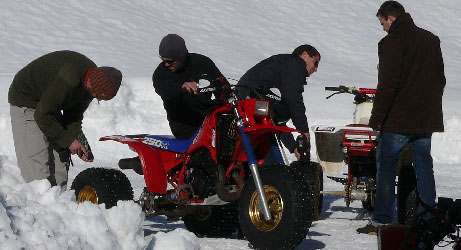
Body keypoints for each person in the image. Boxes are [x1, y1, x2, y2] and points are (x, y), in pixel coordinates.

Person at [357, 1, 445, 235]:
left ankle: (382, 220)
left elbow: (388, 84)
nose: (383, 28)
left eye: (382, 23)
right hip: (425, 118)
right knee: (424, 165)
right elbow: (441, 80)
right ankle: (428, 216)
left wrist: (376, 119)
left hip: (399, 119)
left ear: (391, 18)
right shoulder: (431, 39)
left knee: (386, 167)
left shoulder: (392, 42)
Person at [8, 50, 122, 190]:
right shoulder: (70, 77)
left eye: (99, 98)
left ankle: (59, 203)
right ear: (91, 82)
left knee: (60, 161)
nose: (94, 98)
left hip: (49, 103)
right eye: (95, 95)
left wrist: (78, 141)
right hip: (27, 100)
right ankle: (40, 203)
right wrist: (69, 141)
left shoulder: (93, 83)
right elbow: (42, 115)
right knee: (37, 166)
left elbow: (73, 116)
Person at [237, 44, 321, 160]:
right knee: (269, 159)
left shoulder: (281, 70)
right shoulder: (296, 63)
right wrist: (304, 131)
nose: (316, 69)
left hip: (247, 102)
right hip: (252, 100)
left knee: (273, 123)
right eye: (315, 63)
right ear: (305, 55)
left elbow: (275, 120)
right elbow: (293, 99)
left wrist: (293, 147)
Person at [152, 34, 228, 139]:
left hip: (210, 116)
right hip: (185, 124)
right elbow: (167, 93)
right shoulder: (161, 74)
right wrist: (182, 87)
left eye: (170, 61)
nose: (166, 65)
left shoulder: (203, 63)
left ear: (182, 56)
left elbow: (223, 86)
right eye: (163, 60)